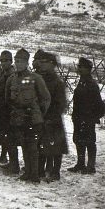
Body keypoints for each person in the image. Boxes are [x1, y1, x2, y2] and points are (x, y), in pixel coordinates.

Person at [5, 48, 50, 183]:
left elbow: (46, 98)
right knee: (24, 145)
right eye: (16, 61)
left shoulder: (36, 78)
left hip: (33, 118)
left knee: (33, 146)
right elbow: (8, 98)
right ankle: (27, 172)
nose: (17, 64)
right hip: (18, 117)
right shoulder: (11, 79)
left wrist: (40, 113)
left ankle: (34, 175)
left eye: (20, 61)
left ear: (26, 63)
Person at [69, 57, 105, 174]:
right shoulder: (82, 81)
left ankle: (90, 167)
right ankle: (80, 164)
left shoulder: (91, 84)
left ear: (87, 69)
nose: (79, 69)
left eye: (81, 67)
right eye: (78, 66)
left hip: (87, 118)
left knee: (89, 142)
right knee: (78, 141)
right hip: (79, 118)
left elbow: (99, 104)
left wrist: (94, 118)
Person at [36, 52, 69, 182]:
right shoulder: (40, 79)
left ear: (52, 64)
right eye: (42, 62)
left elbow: (61, 104)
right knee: (42, 145)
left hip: (53, 119)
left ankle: (55, 171)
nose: (42, 65)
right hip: (42, 117)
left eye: (45, 62)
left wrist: (51, 117)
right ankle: (40, 170)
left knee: (56, 148)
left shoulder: (57, 82)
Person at [0, 51, 18, 172]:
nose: (3, 63)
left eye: (6, 61)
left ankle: (14, 165)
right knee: (7, 138)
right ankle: (12, 162)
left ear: (11, 62)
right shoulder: (4, 74)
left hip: (8, 110)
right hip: (2, 110)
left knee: (11, 139)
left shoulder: (12, 75)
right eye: (2, 61)